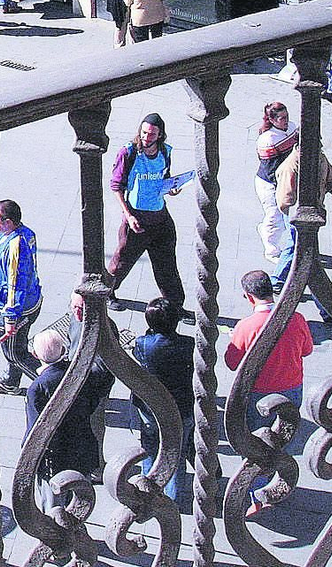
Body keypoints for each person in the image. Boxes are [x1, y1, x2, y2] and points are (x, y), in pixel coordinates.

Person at [224, 269, 313, 516]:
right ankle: (279, 482)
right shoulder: (296, 319)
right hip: (292, 388)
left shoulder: (246, 326)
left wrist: (235, 338)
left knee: (257, 443)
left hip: (258, 395)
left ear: (249, 297)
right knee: (282, 438)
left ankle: (259, 494)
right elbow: (306, 350)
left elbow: (232, 363)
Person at [272, 142, 332, 322]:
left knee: (296, 253)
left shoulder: (319, 159)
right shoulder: (291, 166)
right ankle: (325, 310)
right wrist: (296, 218)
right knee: (308, 260)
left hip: (313, 216)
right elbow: (285, 199)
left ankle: (277, 279)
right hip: (299, 219)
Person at [106, 113, 186, 312]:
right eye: (144, 133)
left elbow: (164, 177)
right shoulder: (128, 153)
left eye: (151, 134)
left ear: (160, 135)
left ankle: (175, 304)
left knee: (167, 265)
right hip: (137, 219)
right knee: (121, 262)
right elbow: (116, 186)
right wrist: (128, 215)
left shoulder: (165, 152)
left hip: (160, 218)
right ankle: (107, 293)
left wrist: (172, 188)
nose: (146, 137)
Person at [26, 328, 113, 503]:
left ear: (35, 355)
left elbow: (35, 429)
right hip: (82, 449)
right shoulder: (79, 373)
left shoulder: (38, 388)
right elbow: (92, 403)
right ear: (64, 350)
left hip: (55, 458)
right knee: (80, 502)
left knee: (54, 508)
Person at [131, 297, 195, 505]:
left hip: (150, 408)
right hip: (181, 406)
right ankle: (172, 497)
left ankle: (147, 488)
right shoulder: (188, 344)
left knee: (150, 447)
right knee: (176, 453)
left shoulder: (143, 344)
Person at [0, 199, 42, 393]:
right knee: (17, 344)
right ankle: (11, 381)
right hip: (29, 301)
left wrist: (10, 317)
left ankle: (53, 388)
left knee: (15, 354)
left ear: (8, 222)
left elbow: (16, 282)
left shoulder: (15, 246)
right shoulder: (23, 233)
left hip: (15, 309)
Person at [254, 102, 299, 267]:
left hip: (284, 180)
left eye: (287, 117)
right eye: (282, 118)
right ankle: (271, 250)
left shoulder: (292, 128)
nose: (286, 121)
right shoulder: (267, 140)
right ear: (272, 120)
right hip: (269, 183)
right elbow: (271, 169)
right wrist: (283, 187)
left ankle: (266, 231)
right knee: (276, 216)